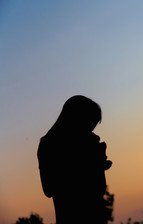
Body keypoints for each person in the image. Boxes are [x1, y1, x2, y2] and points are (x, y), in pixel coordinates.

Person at [37, 95, 112, 224]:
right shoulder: (50, 145)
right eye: (89, 123)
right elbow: (49, 188)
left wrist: (98, 163)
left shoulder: (47, 143)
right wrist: (93, 163)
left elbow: (99, 189)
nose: (91, 129)